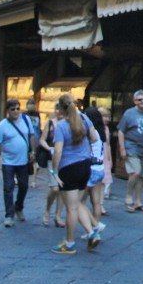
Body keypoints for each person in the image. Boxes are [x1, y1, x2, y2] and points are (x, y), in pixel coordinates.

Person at [49, 93, 102, 255]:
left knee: (71, 208)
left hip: (69, 168)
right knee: (78, 203)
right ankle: (92, 232)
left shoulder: (61, 126)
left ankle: (69, 242)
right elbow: (94, 138)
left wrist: (54, 171)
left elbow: (57, 151)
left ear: (61, 108)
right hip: (85, 165)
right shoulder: (85, 120)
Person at [0, 98, 37, 227]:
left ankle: (18, 207)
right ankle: (9, 215)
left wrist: (33, 151)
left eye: (18, 108)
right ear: (8, 111)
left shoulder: (26, 120)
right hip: (8, 162)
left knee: (24, 186)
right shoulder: (2, 125)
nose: (16, 112)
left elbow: (31, 136)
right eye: (13, 109)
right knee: (8, 188)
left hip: (23, 161)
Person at [39, 107, 66, 227]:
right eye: (57, 109)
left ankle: (58, 216)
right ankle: (47, 209)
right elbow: (42, 140)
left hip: (65, 160)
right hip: (53, 159)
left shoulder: (68, 123)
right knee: (55, 188)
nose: (59, 112)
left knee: (62, 188)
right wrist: (48, 148)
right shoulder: (50, 123)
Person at [83, 107, 109, 225]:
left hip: (91, 168)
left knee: (79, 202)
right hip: (100, 168)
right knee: (96, 202)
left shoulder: (91, 133)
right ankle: (95, 228)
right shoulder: (102, 132)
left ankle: (94, 224)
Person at [25, 99, 42, 188]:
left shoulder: (37, 115)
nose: (32, 106)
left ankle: (33, 181)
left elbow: (39, 127)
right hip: (27, 140)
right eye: (30, 104)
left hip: (36, 140)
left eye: (33, 104)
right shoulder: (24, 115)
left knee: (34, 159)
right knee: (26, 160)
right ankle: (30, 181)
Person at [100, 107, 114, 201]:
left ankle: (104, 195)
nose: (107, 119)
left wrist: (110, 158)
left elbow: (108, 145)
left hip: (105, 155)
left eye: (108, 116)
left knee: (107, 176)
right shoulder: (95, 128)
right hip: (99, 156)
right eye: (105, 116)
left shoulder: (106, 129)